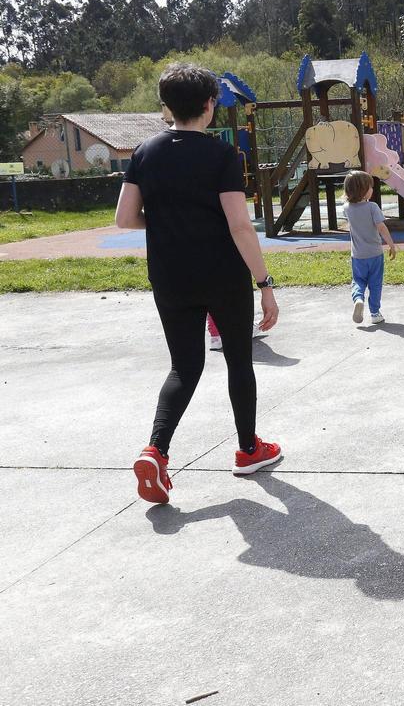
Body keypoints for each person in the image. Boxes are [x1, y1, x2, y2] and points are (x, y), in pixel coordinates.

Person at [117, 63, 281, 504]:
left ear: (166, 106)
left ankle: (156, 451)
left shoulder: (145, 152)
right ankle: (248, 450)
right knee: (239, 361)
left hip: (170, 275)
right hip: (222, 274)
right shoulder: (222, 155)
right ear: (210, 105)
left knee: (184, 367)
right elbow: (240, 226)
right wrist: (264, 283)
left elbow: (125, 217)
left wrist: (168, 220)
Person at [344, 171, 397, 325]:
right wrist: (391, 244)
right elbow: (381, 228)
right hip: (375, 254)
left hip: (357, 255)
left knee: (358, 280)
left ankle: (358, 299)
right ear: (363, 190)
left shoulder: (347, 208)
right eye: (370, 187)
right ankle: (375, 313)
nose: (372, 189)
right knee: (375, 284)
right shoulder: (372, 207)